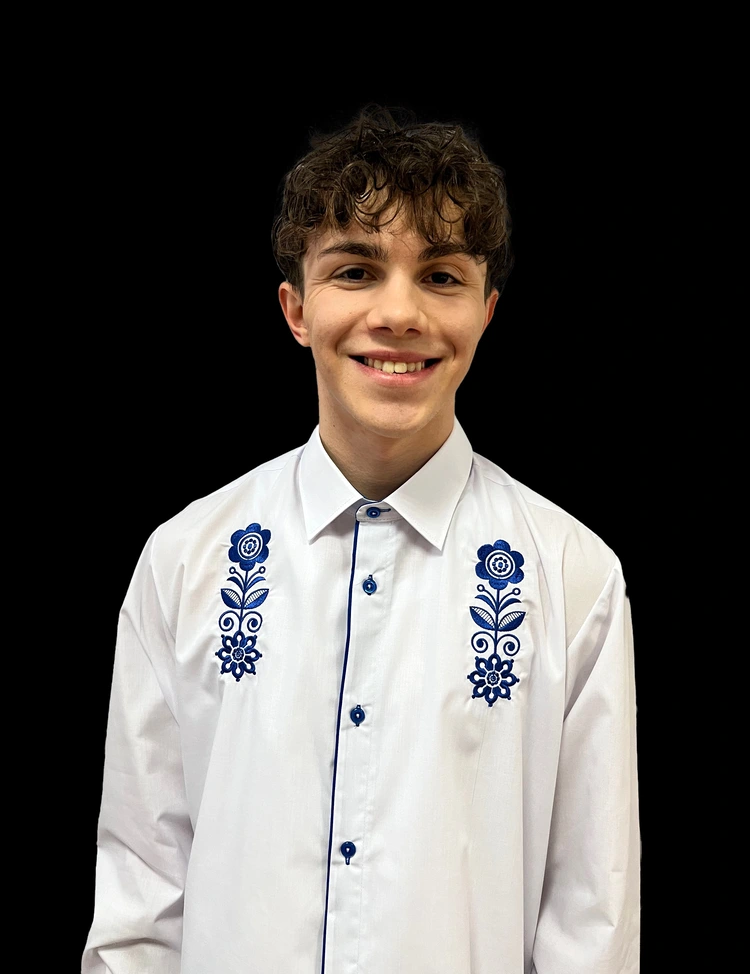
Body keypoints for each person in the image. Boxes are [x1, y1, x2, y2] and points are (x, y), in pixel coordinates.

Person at [81, 105, 640, 973]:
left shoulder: (572, 577)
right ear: (296, 308)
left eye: (442, 276)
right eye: (356, 270)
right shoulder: (186, 560)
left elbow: (591, 927)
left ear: (486, 312)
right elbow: (142, 901)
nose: (399, 313)